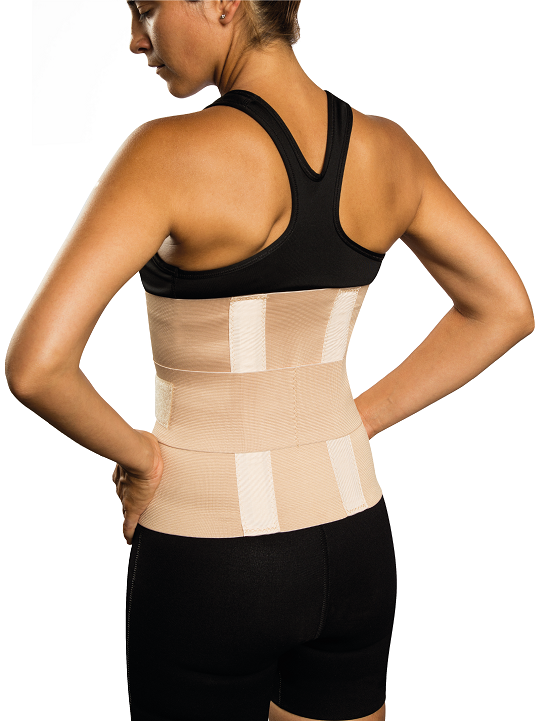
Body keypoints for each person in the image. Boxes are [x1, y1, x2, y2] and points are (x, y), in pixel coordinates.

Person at [5, 1, 534, 720]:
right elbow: (504, 307)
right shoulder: (387, 150)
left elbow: (36, 366)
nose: (135, 40)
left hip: (209, 561)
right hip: (353, 542)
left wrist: (142, 458)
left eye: (146, 8)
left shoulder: (166, 154)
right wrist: (351, 422)